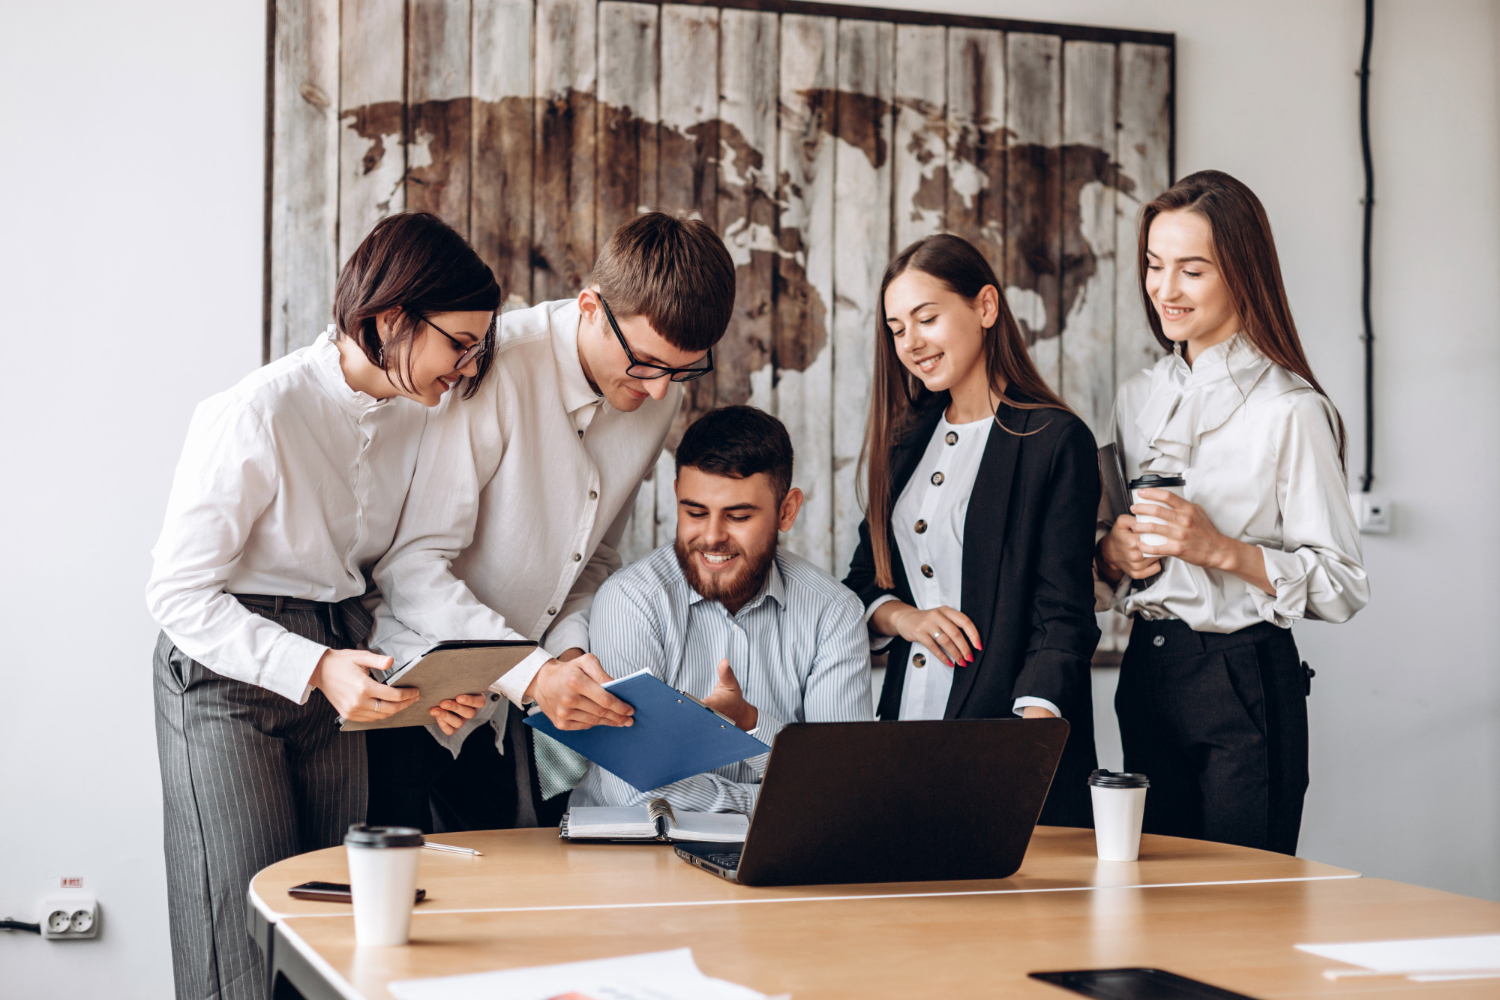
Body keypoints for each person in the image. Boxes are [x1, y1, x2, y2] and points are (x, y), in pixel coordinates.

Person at [146, 212, 500, 1000]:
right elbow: (175, 592)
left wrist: (419, 684)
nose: (469, 368)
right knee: (237, 944)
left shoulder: (419, 418)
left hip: (341, 661)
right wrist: (315, 667)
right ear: (391, 321)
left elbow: (385, 575)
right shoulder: (255, 411)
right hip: (225, 678)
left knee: (329, 938)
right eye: (459, 344)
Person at [366, 212, 738, 831]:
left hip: (501, 712)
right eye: (646, 364)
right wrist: (537, 675)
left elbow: (592, 560)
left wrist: (569, 652)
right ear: (590, 306)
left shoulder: (655, 393)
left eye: (682, 372)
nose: (657, 393)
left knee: (493, 907)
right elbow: (412, 566)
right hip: (410, 688)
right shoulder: (491, 366)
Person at [1096, 170, 1369, 855]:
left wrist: (1220, 549)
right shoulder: (1136, 397)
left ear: (1242, 273)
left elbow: (1342, 587)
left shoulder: (1292, 409)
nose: (1164, 289)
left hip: (1242, 676)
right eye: (1155, 266)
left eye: (1191, 270)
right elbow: (1110, 550)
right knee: (1149, 896)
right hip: (1148, 670)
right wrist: (1115, 553)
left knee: (1244, 906)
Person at [843, 233, 1101, 828]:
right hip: (902, 731)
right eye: (896, 328)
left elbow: (1062, 617)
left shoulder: (1055, 440)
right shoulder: (905, 442)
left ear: (985, 307)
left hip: (1003, 742)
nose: (911, 342)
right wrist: (906, 618)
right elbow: (859, 584)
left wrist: (1021, 756)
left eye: (926, 318)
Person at [570, 406, 873, 813]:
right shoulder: (630, 601)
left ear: (786, 510)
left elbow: (845, 784)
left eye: (739, 516)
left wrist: (750, 722)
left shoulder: (833, 612)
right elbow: (634, 789)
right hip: (638, 856)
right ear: (676, 494)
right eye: (694, 512)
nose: (712, 537)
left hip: (783, 859)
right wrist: (778, 806)